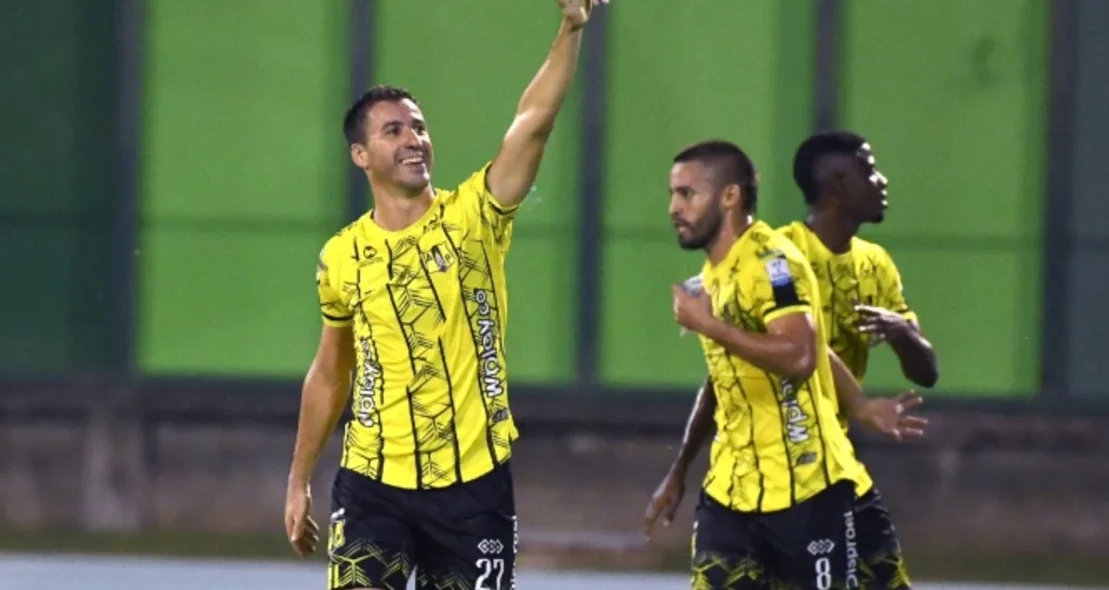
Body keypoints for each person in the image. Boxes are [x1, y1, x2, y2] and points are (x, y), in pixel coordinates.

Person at [282, 2, 605, 589]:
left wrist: (570, 29)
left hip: (474, 488)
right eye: (394, 130)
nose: (415, 140)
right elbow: (331, 371)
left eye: (420, 127)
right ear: (361, 156)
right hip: (371, 483)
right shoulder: (340, 257)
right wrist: (299, 477)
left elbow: (533, 120)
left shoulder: (475, 216)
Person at [645, 140, 924, 589]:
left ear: (729, 197)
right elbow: (724, 380)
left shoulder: (773, 262)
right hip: (730, 496)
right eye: (673, 194)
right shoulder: (713, 275)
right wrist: (679, 470)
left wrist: (712, 327)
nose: (674, 208)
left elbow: (799, 355)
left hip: (805, 492)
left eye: (687, 194)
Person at [773, 130, 941, 589]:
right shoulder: (781, 255)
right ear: (840, 184)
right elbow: (800, 345)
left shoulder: (876, 263)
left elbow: (926, 372)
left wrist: (905, 333)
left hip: (838, 459)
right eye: (870, 169)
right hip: (778, 462)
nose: (881, 180)